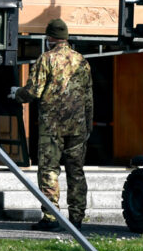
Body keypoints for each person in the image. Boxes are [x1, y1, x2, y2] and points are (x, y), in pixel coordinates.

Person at [9, 18, 93, 232]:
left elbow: (33, 91)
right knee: (76, 171)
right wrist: (88, 125)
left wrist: (16, 94)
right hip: (78, 126)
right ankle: (76, 219)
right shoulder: (82, 61)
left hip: (52, 126)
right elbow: (89, 97)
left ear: (50, 38)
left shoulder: (46, 59)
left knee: (49, 170)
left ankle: (51, 217)